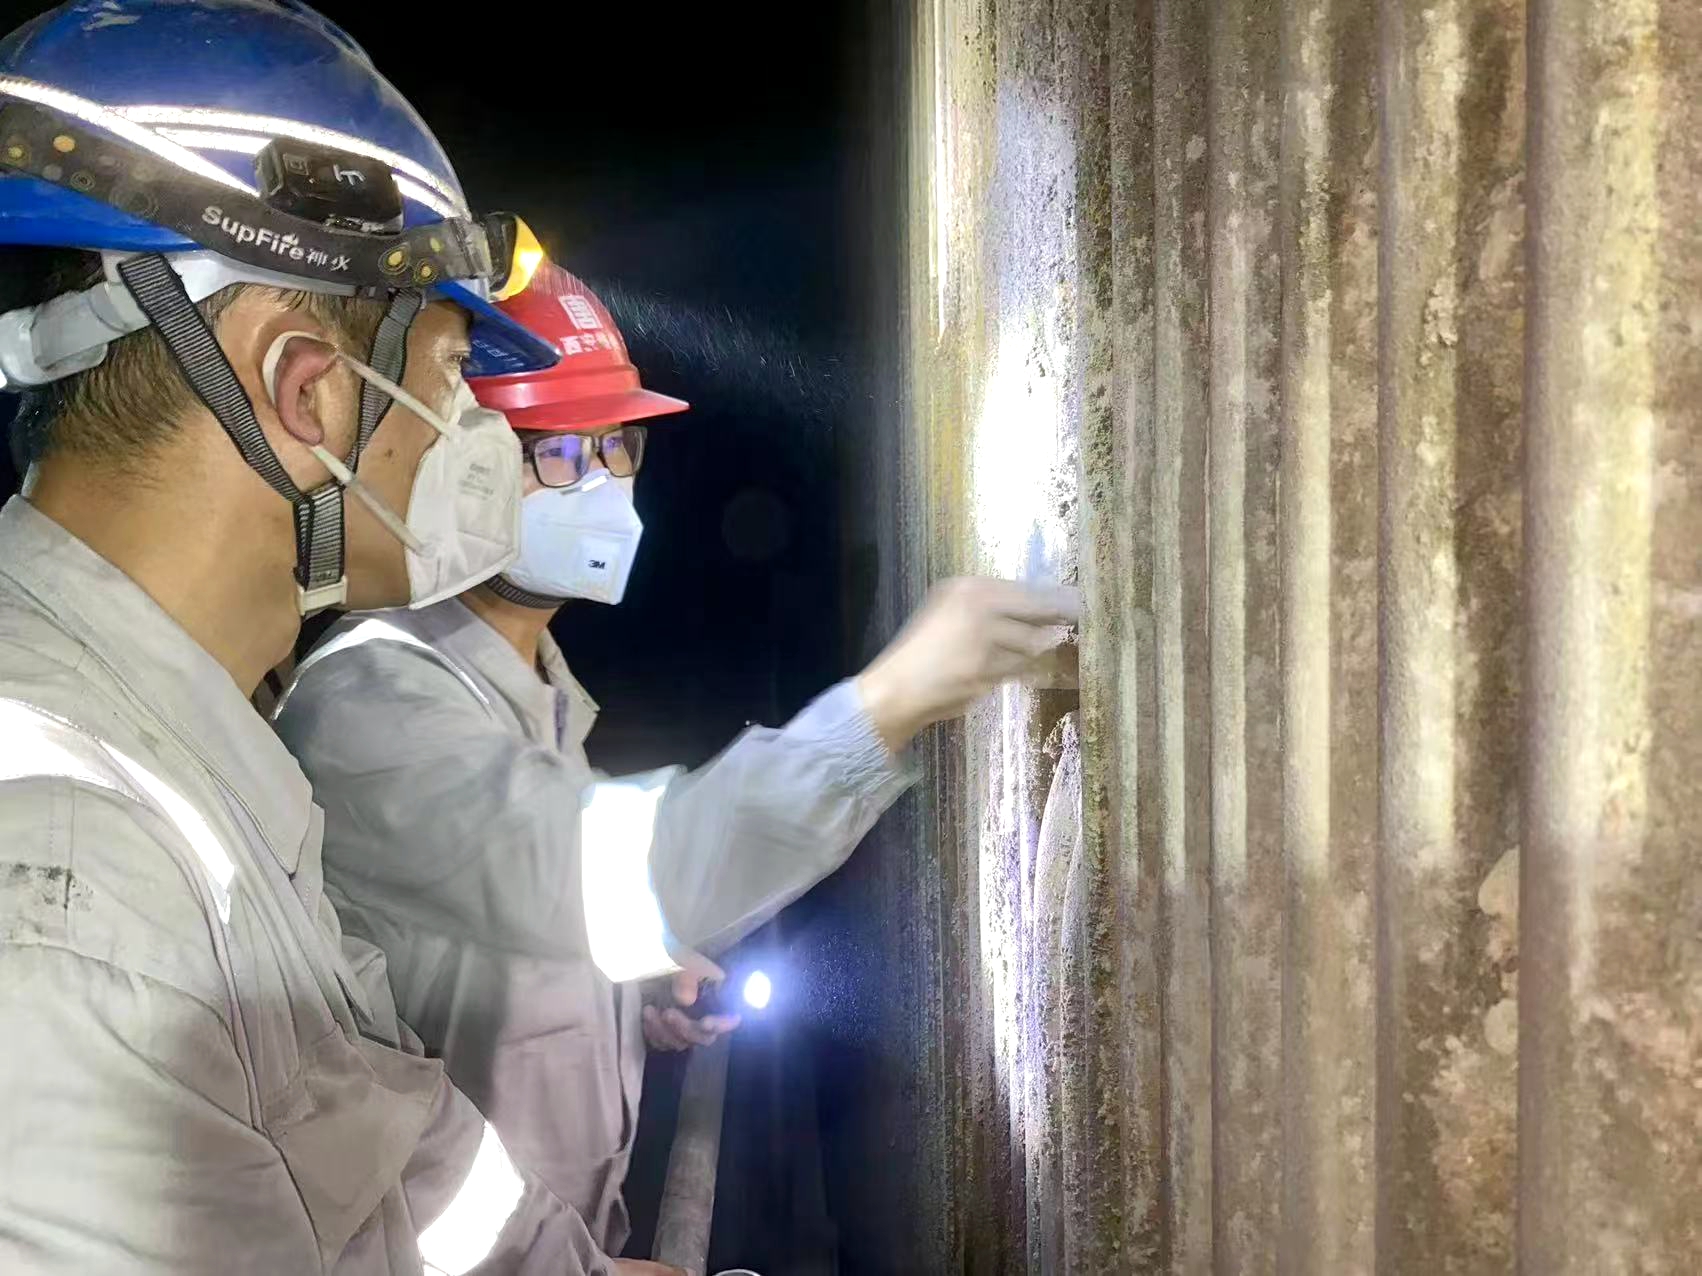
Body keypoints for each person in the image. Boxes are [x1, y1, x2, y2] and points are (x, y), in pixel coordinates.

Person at [0, 3, 672, 1273]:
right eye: (455, 375)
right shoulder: (71, 887)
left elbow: (381, 1165)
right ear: (307, 389)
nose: (480, 434)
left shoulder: (195, 743)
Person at [272, 263, 1082, 1255]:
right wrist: (895, 698)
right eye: (555, 454)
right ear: (448, 467)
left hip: (566, 1247)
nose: (603, 481)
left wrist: (628, 990)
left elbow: (521, 912)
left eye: (618, 445)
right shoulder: (372, 704)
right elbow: (616, 872)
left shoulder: (529, 692)